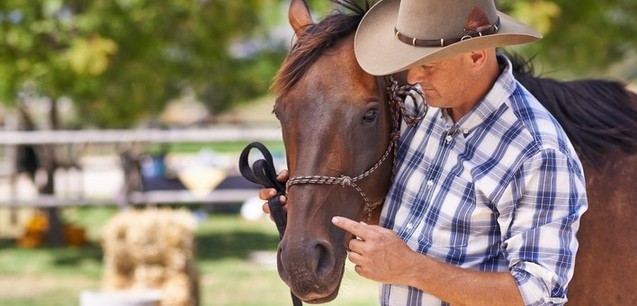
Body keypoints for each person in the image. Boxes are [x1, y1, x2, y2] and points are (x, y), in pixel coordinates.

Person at [260, 0, 588, 305]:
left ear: (476, 56)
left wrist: (411, 268)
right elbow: (403, 222)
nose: (414, 77)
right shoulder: (423, 108)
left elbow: (536, 294)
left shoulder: (537, 151)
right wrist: (313, 201)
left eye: (428, 65)